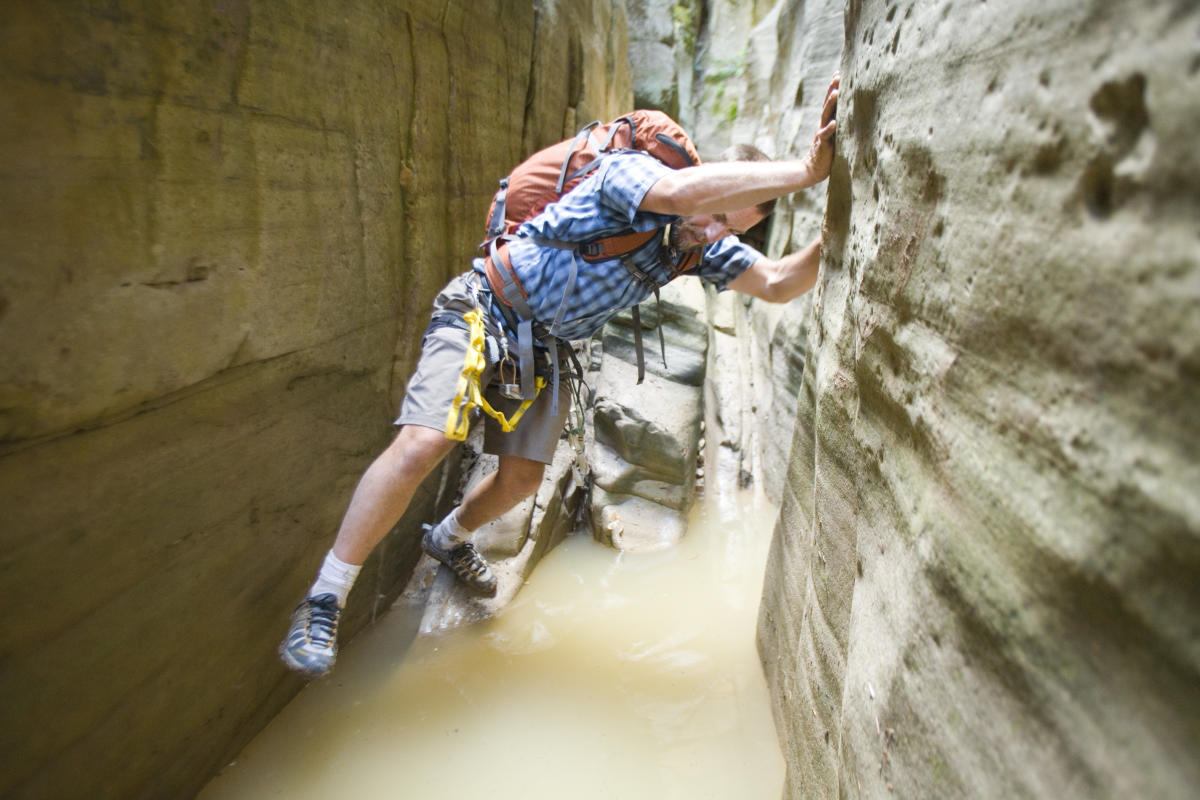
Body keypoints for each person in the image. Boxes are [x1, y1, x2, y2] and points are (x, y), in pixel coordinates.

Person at [280, 75, 840, 677]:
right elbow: (678, 193)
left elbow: (778, 283)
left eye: (732, 230)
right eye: (717, 217)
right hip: (484, 306)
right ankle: (325, 597)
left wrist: (837, 230)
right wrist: (807, 170)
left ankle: (447, 536)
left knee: (520, 480)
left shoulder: (695, 245)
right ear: (713, 182)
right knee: (427, 440)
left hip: (543, 348)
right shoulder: (628, 174)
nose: (713, 234)